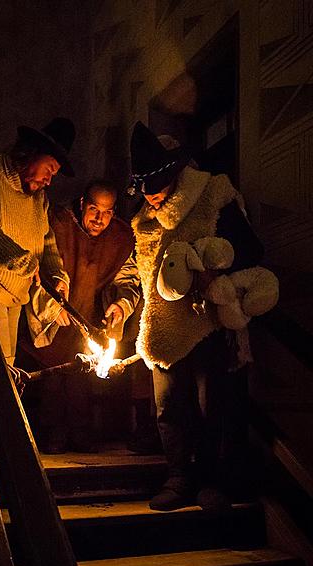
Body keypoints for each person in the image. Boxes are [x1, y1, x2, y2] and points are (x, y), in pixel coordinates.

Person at [129, 121, 267, 512]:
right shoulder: (143, 218)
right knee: (169, 406)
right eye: (146, 194)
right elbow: (141, 266)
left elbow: (250, 249)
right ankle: (179, 476)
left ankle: (216, 479)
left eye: (157, 192)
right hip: (162, 324)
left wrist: (212, 265)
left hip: (206, 322)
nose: (152, 200)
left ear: (174, 177)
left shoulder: (211, 196)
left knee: (214, 406)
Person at [20, 179, 140, 453]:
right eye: (95, 209)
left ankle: (81, 432)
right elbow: (39, 265)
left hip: (88, 320)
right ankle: (52, 434)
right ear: (83, 204)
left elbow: (128, 279)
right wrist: (52, 305)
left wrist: (121, 304)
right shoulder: (58, 224)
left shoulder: (120, 237)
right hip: (52, 317)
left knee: (80, 376)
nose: (100, 219)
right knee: (52, 376)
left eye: (108, 212)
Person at [0, 117, 75, 367]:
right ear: (31, 153)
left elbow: (46, 240)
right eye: (50, 169)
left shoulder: (38, 197)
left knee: (6, 368)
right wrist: (22, 261)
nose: (49, 180)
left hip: (15, 295)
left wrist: (57, 276)